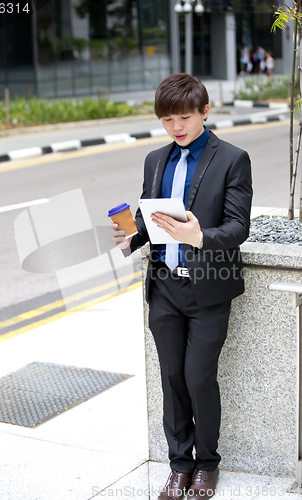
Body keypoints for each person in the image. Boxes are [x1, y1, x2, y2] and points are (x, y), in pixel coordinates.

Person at [111, 73, 252, 500]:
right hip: (165, 287)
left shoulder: (232, 158)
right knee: (172, 377)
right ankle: (179, 466)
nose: (176, 127)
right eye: (168, 119)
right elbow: (148, 215)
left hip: (209, 288)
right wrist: (129, 236)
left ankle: (207, 464)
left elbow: (238, 227)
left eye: (185, 118)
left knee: (197, 377)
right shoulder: (156, 159)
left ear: (205, 112)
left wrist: (200, 237)